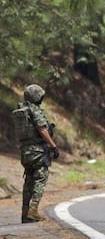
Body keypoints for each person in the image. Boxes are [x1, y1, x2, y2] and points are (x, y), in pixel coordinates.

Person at [12, 84, 59, 223]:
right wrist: (53, 146)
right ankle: (33, 210)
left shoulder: (21, 111)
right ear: (36, 96)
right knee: (41, 177)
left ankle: (25, 212)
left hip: (25, 151)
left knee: (28, 180)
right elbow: (42, 129)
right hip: (37, 151)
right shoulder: (35, 110)